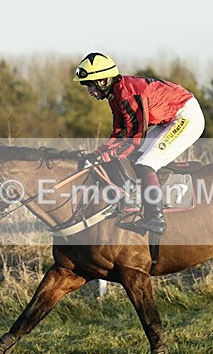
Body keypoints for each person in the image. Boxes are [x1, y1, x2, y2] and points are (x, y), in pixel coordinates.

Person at [73, 52, 205, 235]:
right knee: (136, 158)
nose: (89, 91)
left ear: (103, 81)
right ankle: (144, 200)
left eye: (90, 85)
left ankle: (156, 218)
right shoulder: (115, 95)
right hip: (168, 119)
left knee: (146, 163)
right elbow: (120, 134)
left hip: (186, 117)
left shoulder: (128, 94)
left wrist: (104, 157)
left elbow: (134, 140)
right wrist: (97, 154)